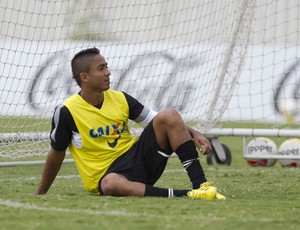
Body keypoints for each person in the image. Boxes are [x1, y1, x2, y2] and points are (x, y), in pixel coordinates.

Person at [36, 47, 225, 200]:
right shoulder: (67, 111)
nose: (108, 72)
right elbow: (57, 152)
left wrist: (195, 134)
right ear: (84, 77)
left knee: (169, 114)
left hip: (139, 161)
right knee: (111, 185)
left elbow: (161, 120)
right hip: (108, 177)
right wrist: (41, 192)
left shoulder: (120, 98)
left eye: (107, 67)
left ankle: (201, 185)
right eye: (101, 68)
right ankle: (190, 195)